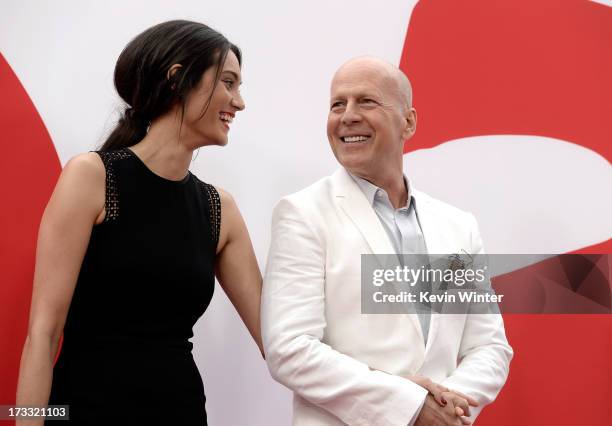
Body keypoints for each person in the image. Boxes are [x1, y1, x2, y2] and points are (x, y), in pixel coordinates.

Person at [16, 20, 262, 425]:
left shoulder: (220, 208)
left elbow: (278, 339)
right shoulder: (92, 177)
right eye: (229, 83)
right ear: (177, 79)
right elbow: (42, 335)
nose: (239, 102)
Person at [261, 56, 513, 426]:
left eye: (366, 101)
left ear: (408, 122)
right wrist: (410, 407)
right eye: (337, 104)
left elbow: (490, 347)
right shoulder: (302, 213)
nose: (347, 116)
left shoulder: (458, 226)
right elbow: (289, 349)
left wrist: (447, 411)